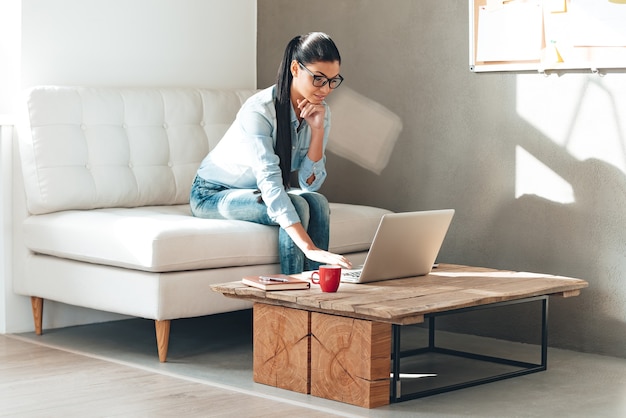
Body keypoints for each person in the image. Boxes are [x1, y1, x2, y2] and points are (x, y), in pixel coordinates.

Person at [190, 32, 352, 275]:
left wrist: (317, 130)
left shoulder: (319, 111)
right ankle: (290, 297)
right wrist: (309, 248)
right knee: (295, 205)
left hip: (251, 190)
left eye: (332, 80)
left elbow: (311, 185)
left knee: (317, 202)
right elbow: (270, 181)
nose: (326, 89)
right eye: (318, 79)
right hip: (211, 193)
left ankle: (318, 296)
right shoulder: (259, 111)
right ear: (295, 68)